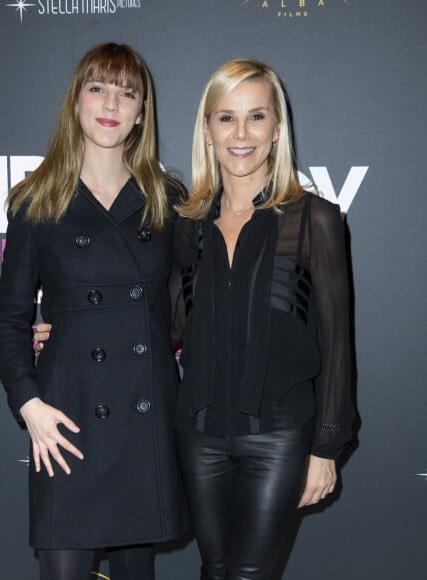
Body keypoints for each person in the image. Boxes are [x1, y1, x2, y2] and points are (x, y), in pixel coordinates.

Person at [0, 43, 188, 580]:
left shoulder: (167, 199)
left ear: (142, 112)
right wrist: (29, 404)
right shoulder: (36, 200)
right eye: (98, 87)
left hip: (143, 415)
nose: (111, 104)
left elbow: (189, 304)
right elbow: (9, 317)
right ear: (75, 100)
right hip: (68, 415)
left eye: (127, 93)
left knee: (135, 571)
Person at [172, 59, 354, 579]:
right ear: (208, 131)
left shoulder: (314, 219)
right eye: (226, 118)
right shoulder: (188, 225)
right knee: (215, 568)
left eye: (256, 117)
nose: (241, 133)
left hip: (277, 436)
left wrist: (326, 446)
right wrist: (68, 330)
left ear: (277, 129)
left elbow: (337, 342)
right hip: (199, 433)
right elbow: (166, 324)